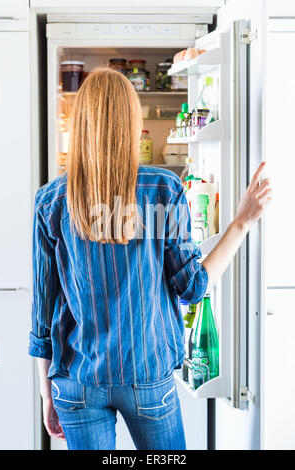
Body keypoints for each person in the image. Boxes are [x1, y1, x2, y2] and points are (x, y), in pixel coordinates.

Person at [28, 68, 272, 450]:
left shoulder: (51, 200)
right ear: (132, 121)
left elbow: (42, 314)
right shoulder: (163, 188)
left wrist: (45, 391)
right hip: (147, 375)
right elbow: (192, 287)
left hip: (77, 380)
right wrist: (240, 223)